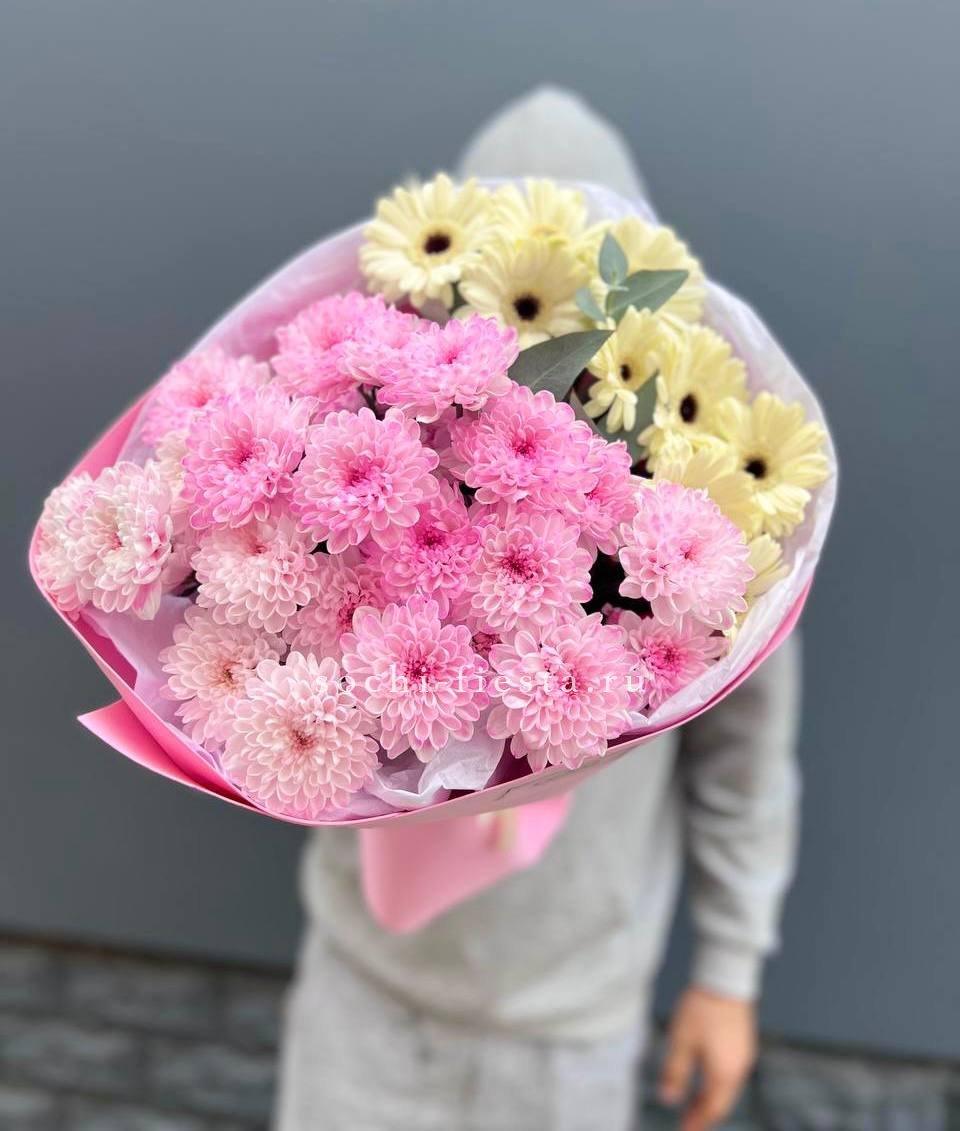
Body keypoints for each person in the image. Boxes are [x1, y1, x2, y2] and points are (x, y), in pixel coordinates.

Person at [274, 89, 802, 1131]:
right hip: (364, 996)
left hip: (571, 1026)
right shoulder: (361, 455)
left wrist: (729, 975)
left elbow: (744, 760)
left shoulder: (718, 513)